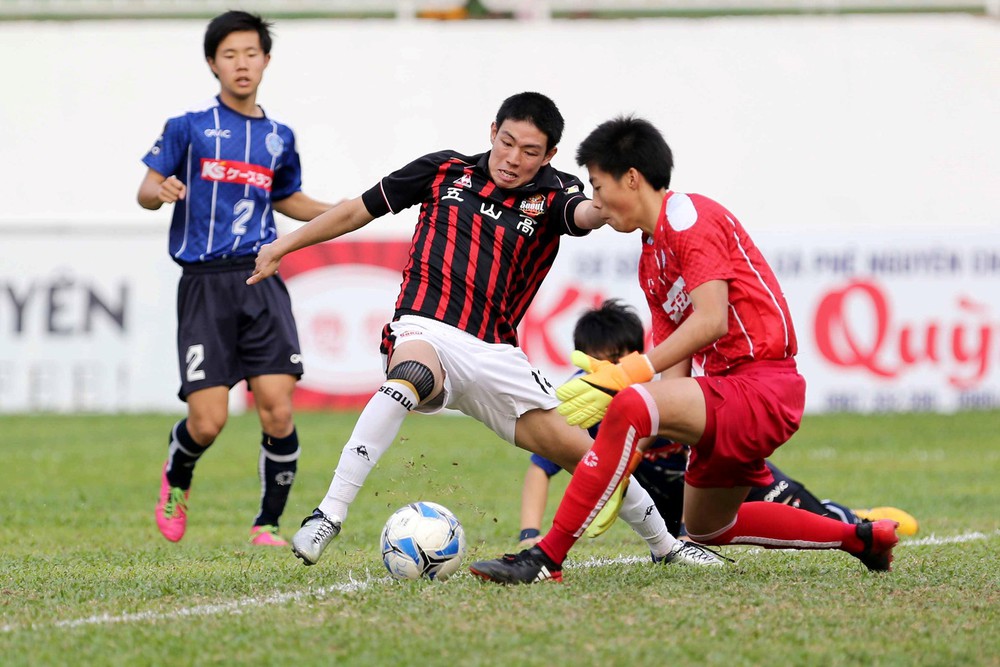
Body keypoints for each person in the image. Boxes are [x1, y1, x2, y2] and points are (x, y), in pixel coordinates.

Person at [248, 92, 718, 569]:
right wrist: (285, 245)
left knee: (586, 452)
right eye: (507, 142)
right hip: (424, 328)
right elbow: (356, 210)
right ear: (492, 131)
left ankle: (666, 546)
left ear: (550, 155)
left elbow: (588, 214)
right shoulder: (442, 171)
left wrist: (617, 197)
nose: (514, 159)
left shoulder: (556, 193)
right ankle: (329, 514)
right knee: (408, 377)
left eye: (530, 151)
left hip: (496, 355)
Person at [470, 116, 902, 584]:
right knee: (708, 527)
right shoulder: (651, 258)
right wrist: (625, 454)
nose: (594, 202)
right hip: (727, 394)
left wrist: (631, 376)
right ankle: (862, 539)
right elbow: (674, 376)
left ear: (631, 178)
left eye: (597, 186)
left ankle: (546, 558)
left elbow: (711, 319)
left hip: (764, 386)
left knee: (633, 403)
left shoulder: (688, 218)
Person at [137, 11, 335, 546]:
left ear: (266, 61)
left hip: (260, 275)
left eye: (251, 53)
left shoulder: (278, 136)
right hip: (204, 284)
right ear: (212, 64)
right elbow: (145, 189)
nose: (241, 63)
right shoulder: (188, 127)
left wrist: (344, 210)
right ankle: (177, 480)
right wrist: (163, 191)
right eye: (229, 54)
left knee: (277, 406)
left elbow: (287, 198)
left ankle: (267, 524)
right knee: (207, 422)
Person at [516, 300, 919, 550]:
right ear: (582, 361)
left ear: (641, 354)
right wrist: (528, 532)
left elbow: (688, 424)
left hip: (731, 475)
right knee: (709, 537)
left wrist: (635, 444)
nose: (614, 370)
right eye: (601, 361)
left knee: (812, 519)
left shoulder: (664, 388)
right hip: (683, 513)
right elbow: (541, 466)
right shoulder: (580, 401)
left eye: (623, 359)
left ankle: (851, 517)